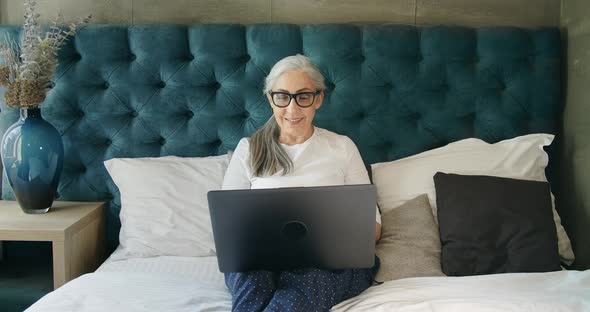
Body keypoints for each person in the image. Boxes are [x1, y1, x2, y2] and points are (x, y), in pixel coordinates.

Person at [222, 54, 382, 312]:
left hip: (330, 263)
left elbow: (373, 228)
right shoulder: (248, 149)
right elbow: (227, 227)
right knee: (251, 281)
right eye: (283, 96)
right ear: (270, 98)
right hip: (260, 261)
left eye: (303, 96)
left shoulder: (342, 147)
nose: (292, 109)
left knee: (298, 296)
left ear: (318, 99)